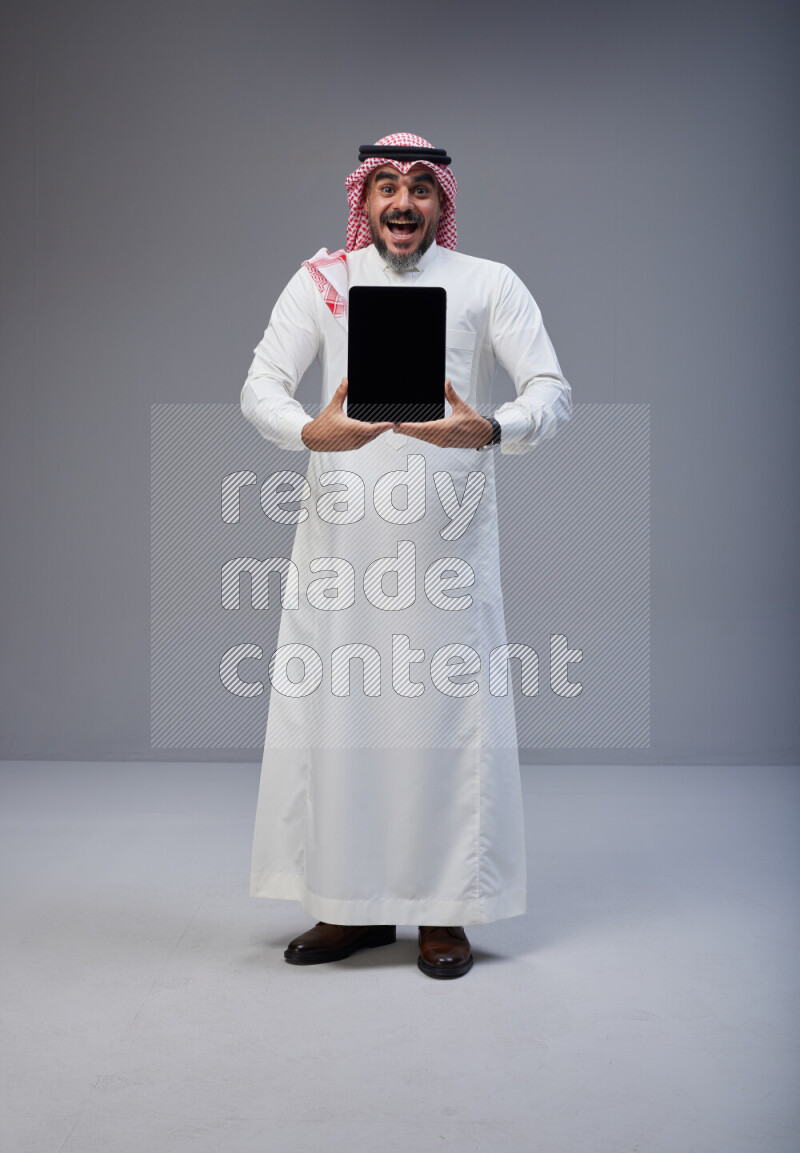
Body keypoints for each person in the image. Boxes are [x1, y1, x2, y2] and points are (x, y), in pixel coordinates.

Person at [240, 132, 572, 979]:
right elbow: (261, 387)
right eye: (385, 185)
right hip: (343, 541)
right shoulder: (322, 282)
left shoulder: (487, 284)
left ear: (441, 203)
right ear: (364, 197)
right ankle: (347, 907)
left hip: (445, 545)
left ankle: (443, 913)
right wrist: (308, 431)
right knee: (342, 720)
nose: (401, 203)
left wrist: (491, 428)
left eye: (420, 188)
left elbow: (551, 392)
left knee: (443, 723)